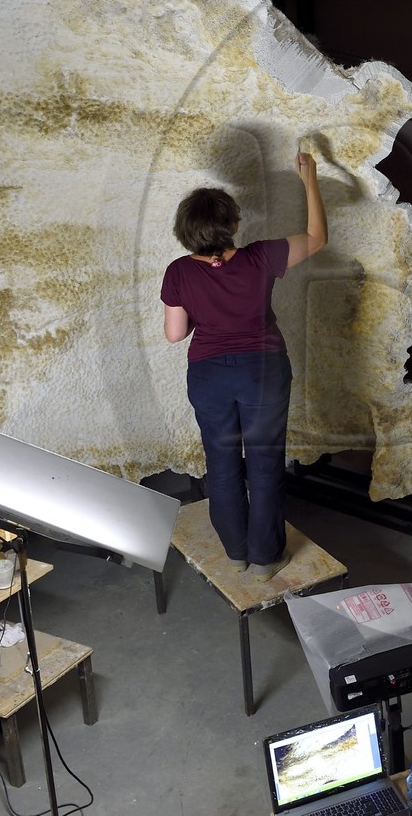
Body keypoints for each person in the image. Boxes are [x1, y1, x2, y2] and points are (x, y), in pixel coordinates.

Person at [160, 150, 327, 581]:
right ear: (233, 225)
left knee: (222, 465)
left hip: (208, 375)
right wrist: (309, 179)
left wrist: (204, 311)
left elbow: (175, 334)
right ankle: (266, 559)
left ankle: (236, 553)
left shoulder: (178, 272)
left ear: (185, 231)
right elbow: (316, 237)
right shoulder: (261, 257)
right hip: (263, 372)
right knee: (265, 464)